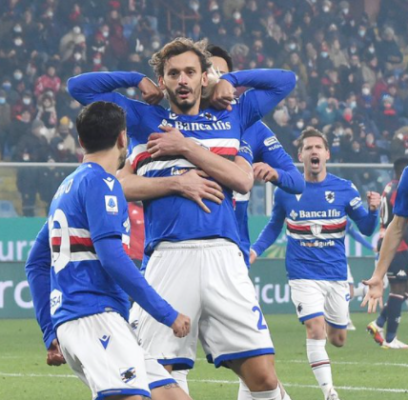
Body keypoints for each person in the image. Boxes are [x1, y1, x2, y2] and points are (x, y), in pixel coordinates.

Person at [68, 37, 297, 400]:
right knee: (157, 375)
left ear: (204, 77)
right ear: (163, 81)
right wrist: (135, 79)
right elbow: (78, 87)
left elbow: (286, 80)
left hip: (224, 256)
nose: (183, 80)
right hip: (168, 256)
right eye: (173, 74)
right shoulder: (144, 118)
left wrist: (232, 79)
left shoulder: (233, 113)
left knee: (264, 378)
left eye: (190, 72)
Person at [25, 101, 192, 400]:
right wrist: (167, 314)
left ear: (80, 140)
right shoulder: (102, 183)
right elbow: (112, 258)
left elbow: (35, 264)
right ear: (122, 138)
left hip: (83, 322)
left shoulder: (67, 188)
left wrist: (50, 331)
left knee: (172, 396)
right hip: (94, 317)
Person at [250, 127, 380, 400]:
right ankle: (329, 392)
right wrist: (255, 251)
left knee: (338, 339)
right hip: (302, 273)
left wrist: (373, 210)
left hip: (335, 273)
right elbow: (274, 226)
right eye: (308, 148)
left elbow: (367, 228)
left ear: (327, 154)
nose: (313, 152)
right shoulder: (287, 190)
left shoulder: (344, 188)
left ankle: (332, 342)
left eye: (318, 147)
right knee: (315, 327)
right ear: (300, 156)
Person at [366, 157, 408, 349]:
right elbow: (398, 224)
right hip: (396, 244)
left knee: (403, 289)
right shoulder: (398, 187)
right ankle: (390, 338)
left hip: (392, 240)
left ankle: (379, 323)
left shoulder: (390, 187)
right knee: (398, 289)